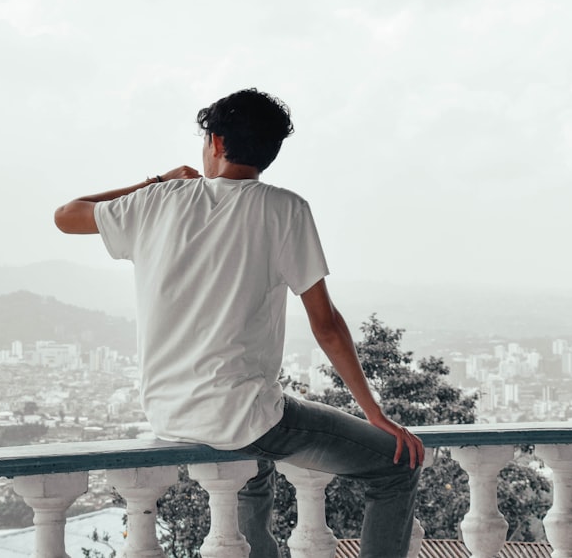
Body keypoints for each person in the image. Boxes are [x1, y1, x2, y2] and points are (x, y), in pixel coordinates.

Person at [54, 88, 423, 558]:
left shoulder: (158, 201)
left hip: (170, 411)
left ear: (217, 142)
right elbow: (325, 323)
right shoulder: (284, 208)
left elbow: (66, 216)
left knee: (254, 469)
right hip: (242, 414)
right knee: (397, 469)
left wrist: (156, 181)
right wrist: (374, 414)